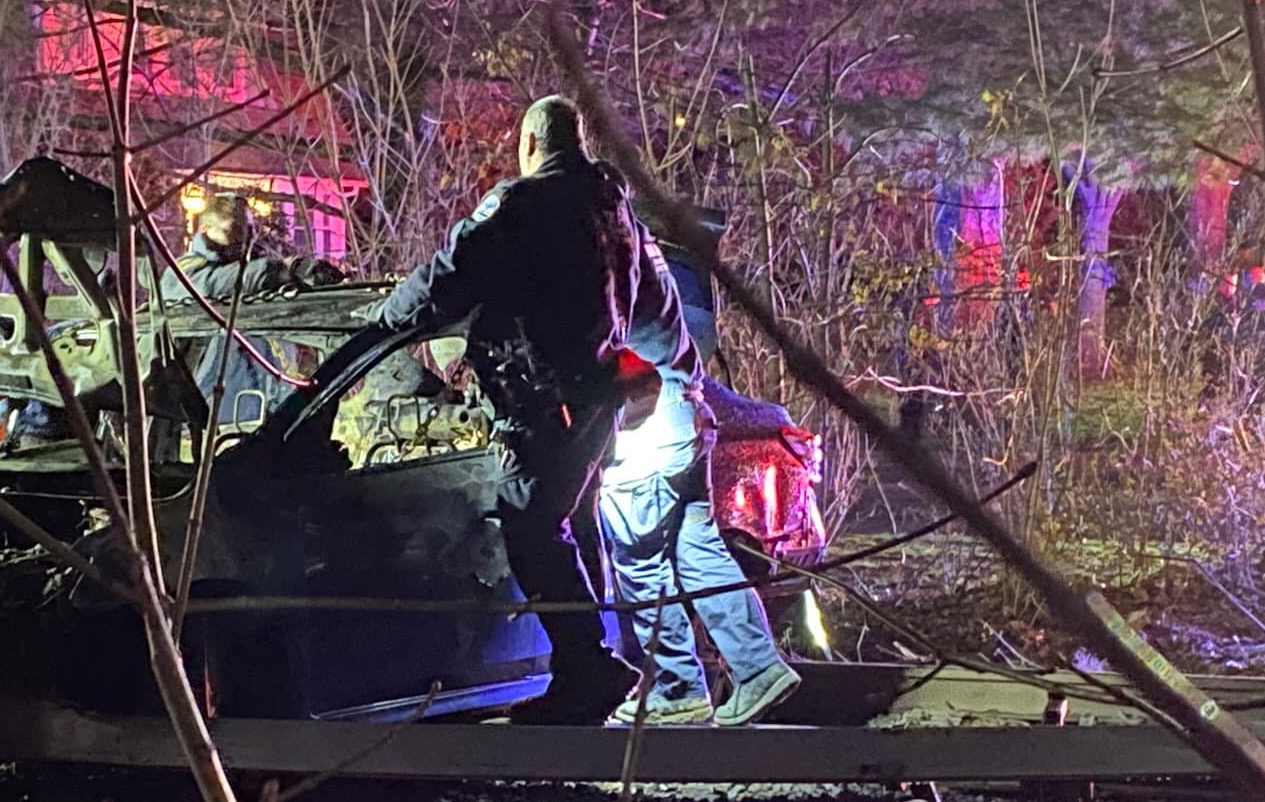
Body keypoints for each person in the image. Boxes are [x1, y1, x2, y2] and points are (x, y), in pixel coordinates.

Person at [369, 94, 658, 724]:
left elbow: (454, 273)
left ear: (529, 145)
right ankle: (588, 668)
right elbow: (649, 295)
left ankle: (587, 666)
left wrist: (388, 315)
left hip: (544, 401)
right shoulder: (612, 206)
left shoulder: (525, 205)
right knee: (575, 526)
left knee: (530, 522)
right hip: (594, 397)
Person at [598, 236, 803, 725]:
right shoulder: (640, 245)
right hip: (689, 414)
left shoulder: (597, 254)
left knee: (640, 560)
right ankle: (758, 668)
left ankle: (676, 690)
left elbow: (602, 345)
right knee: (698, 552)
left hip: (644, 427)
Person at [166, 191, 342, 421]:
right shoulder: (184, 273)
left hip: (264, 417)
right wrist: (284, 271)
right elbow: (223, 283)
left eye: (248, 232)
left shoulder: (256, 278)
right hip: (213, 422)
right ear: (205, 230)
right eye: (233, 232)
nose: (242, 242)